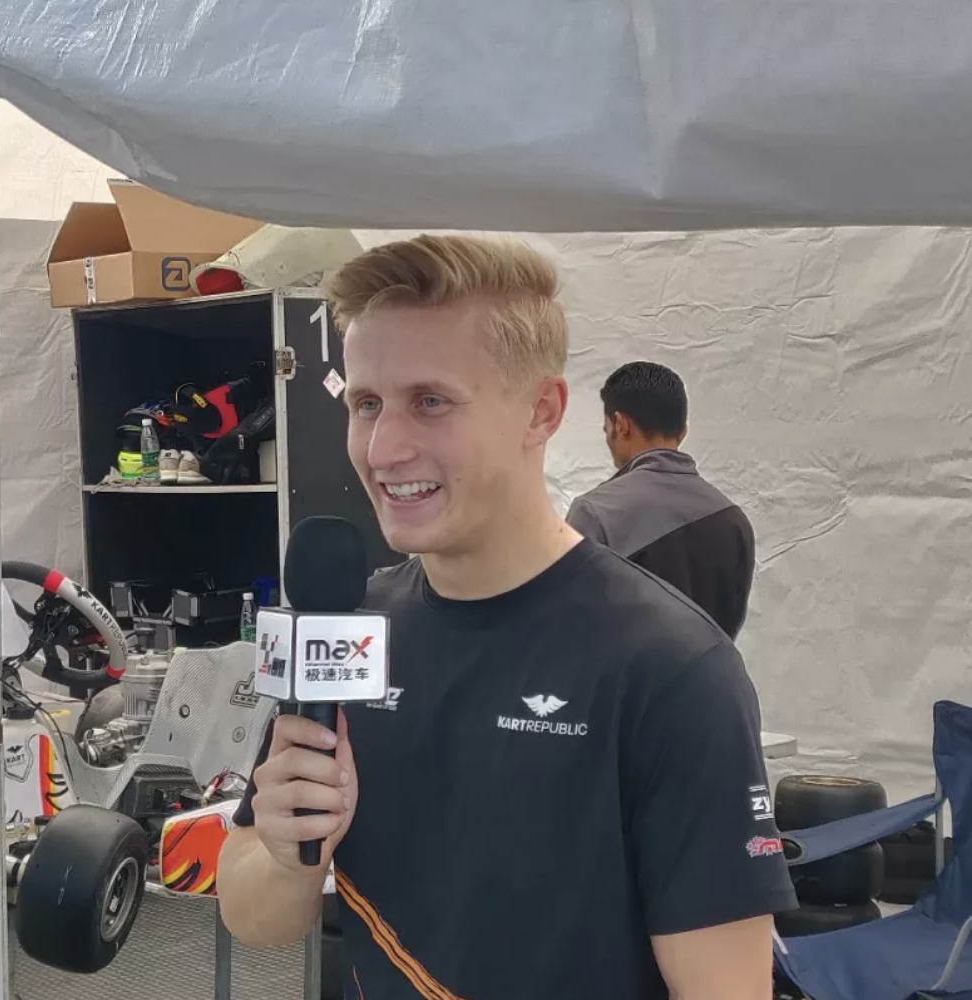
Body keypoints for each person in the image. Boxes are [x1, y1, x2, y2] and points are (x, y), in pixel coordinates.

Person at [217, 235, 795, 1000]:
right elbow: (252, 916)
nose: (383, 449)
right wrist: (289, 853)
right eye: (365, 404)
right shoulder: (347, 632)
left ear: (541, 412)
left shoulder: (672, 668)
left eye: (430, 402)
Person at [565, 361, 756, 640]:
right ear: (683, 431)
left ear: (621, 425)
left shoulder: (595, 514)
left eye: (607, 430)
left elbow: (570, 630)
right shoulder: (734, 520)